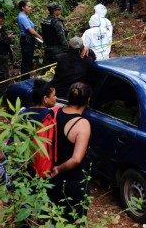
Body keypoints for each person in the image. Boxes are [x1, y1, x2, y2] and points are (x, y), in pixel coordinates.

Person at [49, 82, 92, 223]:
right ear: (88, 100)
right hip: (72, 179)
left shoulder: (56, 112)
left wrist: (55, 168)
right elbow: (76, 159)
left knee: (55, 215)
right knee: (74, 217)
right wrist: (59, 169)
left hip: (53, 175)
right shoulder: (82, 124)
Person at [17, 0, 43, 80]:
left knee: (28, 60)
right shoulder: (22, 17)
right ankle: (25, 79)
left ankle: (26, 77)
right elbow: (31, 30)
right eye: (28, 6)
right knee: (26, 61)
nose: (30, 8)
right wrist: (41, 38)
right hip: (26, 40)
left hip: (29, 40)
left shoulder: (24, 16)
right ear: (23, 7)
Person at [41, 2, 68, 66]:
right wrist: (67, 48)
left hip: (48, 48)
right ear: (55, 11)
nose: (60, 10)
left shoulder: (44, 21)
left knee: (48, 70)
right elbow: (62, 37)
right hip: (58, 50)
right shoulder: (57, 22)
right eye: (59, 9)